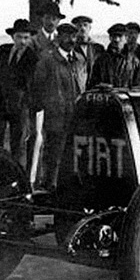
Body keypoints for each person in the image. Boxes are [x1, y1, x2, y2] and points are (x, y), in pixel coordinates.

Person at [30, 22, 87, 190]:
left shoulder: (80, 60)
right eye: (67, 36)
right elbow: (37, 88)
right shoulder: (47, 60)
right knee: (54, 154)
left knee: (74, 154)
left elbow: (83, 85)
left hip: (75, 115)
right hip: (55, 115)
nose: (71, 40)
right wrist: (47, 108)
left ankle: (68, 189)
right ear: (59, 37)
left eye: (74, 36)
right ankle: (49, 187)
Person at [0, 19, 39, 168]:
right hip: (0, 102)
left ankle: (16, 174)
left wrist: (24, 103)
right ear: (13, 37)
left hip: (20, 105)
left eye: (26, 37)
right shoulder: (3, 50)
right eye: (19, 37)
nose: (23, 41)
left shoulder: (33, 57)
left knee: (18, 144)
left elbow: (30, 85)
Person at [89, 23, 140, 88]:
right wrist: (101, 86)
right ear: (110, 38)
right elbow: (92, 84)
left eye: (120, 36)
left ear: (126, 38)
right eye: (114, 36)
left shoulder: (133, 62)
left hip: (126, 94)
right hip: (106, 94)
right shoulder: (101, 60)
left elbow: (139, 86)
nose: (116, 40)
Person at [73, 15, 104, 85]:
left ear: (89, 28)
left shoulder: (98, 48)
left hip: (95, 86)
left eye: (85, 25)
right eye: (79, 26)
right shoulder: (71, 48)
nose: (82, 28)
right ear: (75, 29)